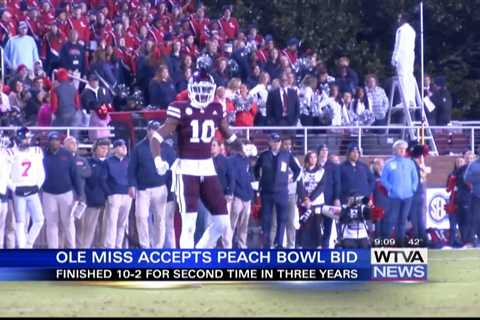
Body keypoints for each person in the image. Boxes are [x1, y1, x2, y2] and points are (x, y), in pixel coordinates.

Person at [148, 65, 244, 249]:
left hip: (207, 167)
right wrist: (157, 159)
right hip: (186, 168)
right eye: (199, 90)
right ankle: (188, 265)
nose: (202, 94)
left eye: (206, 90)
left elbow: (229, 136)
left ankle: (200, 252)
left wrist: (243, 148)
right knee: (189, 224)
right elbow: (156, 137)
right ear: (191, 90)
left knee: (223, 222)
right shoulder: (180, 108)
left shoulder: (216, 108)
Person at [128, 121, 176, 249]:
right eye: (152, 129)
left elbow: (173, 169)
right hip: (143, 189)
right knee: (141, 217)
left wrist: (172, 189)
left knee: (160, 219)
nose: (154, 131)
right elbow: (132, 168)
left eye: (156, 129)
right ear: (147, 130)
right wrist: (131, 185)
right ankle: (145, 245)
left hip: (161, 188)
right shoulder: (138, 148)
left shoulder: (166, 148)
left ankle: (157, 247)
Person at [254, 133, 301, 248]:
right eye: (273, 141)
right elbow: (255, 169)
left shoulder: (286, 155)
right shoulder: (264, 155)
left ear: (280, 143)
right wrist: (259, 180)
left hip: (282, 191)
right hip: (267, 192)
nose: (276, 144)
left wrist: (292, 179)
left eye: (278, 141)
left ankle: (279, 243)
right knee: (266, 219)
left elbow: (297, 169)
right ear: (270, 142)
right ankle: (266, 243)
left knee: (282, 218)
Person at [42, 132, 82, 249]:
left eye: (57, 140)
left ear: (60, 142)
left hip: (66, 193)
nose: (55, 142)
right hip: (48, 194)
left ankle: (72, 248)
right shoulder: (42, 154)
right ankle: (53, 250)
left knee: (68, 222)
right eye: (52, 140)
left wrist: (79, 193)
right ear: (48, 142)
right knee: (51, 223)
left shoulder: (67, 154)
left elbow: (75, 174)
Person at [8, 127, 45, 248]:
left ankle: (28, 244)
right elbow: (4, 174)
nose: (28, 141)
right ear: (19, 139)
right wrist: (14, 188)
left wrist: (38, 186)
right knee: (20, 223)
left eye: (29, 139)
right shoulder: (11, 153)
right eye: (26, 139)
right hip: (18, 190)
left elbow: (41, 172)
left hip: (33, 189)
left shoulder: (36, 151)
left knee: (39, 220)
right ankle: (23, 249)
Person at [381, 139, 418, 246]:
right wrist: (391, 189)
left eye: (404, 149)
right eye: (400, 149)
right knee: (390, 220)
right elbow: (383, 179)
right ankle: (386, 242)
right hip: (394, 197)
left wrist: (413, 188)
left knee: (402, 221)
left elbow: (415, 178)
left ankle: (400, 243)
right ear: (395, 150)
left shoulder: (410, 163)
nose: (402, 151)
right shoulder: (389, 163)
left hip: (408, 197)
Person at [79, 138, 110, 248]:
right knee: (88, 228)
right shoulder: (88, 162)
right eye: (102, 148)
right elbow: (85, 180)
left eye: (106, 148)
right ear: (95, 149)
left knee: (106, 228)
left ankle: (103, 249)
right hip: (92, 200)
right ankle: (84, 250)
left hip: (108, 200)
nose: (104, 150)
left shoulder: (110, 162)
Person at [102, 139, 132, 248]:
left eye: (124, 145)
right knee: (112, 222)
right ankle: (110, 247)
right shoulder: (108, 161)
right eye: (120, 145)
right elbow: (103, 179)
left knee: (122, 223)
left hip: (127, 195)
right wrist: (109, 193)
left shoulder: (129, 161)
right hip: (114, 195)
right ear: (114, 149)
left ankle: (118, 246)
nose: (124, 147)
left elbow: (132, 177)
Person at [228, 140, 255, 248]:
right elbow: (232, 178)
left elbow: (251, 176)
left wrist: (251, 194)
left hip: (247, 197)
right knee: (232, 223)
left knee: (244, 224)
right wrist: (232, 193)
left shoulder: (247, 161)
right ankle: (227, 244)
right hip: (237, 196)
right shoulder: (232, 160)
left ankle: (242, 244)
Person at [297, 151, 325, 248]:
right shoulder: (302, 171)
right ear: (307, 159)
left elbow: (321, 187)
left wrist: (311, 199)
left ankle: (319, 245)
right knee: (303, 224)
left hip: (317, 202)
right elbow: (300, 186)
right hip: (304, 203)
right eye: (311, 157)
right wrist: (305, 199)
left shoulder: (322, 171)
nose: (313, 159)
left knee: (317, 224)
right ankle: (301, 245)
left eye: (315, 157)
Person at [317, 144, 341, 248]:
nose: (324, 152)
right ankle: (316, 243)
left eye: (326, 150)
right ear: (318, 152)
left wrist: (336, 198)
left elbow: (337, 183)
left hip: (329, 199)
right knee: (315, 224)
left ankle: (325, 246)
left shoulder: (333, 166)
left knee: (328, 224)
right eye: (322, 150)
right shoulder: (314, 164)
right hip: (315, 200)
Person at [391, 12, 416, 110]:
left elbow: (399, 45)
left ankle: (404, 100)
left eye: (399, 18)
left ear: (403, 19)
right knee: (410, 76)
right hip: (410, 55)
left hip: (402, 55)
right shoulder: (412, 31)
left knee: (402, 77)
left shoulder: (401, 30)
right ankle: (411, 99)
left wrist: (394, 57)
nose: (398, 20)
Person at [463, 150, 480, 247]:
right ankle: (475, 240)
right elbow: (466, 178)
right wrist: (478, 177)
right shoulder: (473, 165)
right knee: (475, 219)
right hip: (476, 195)